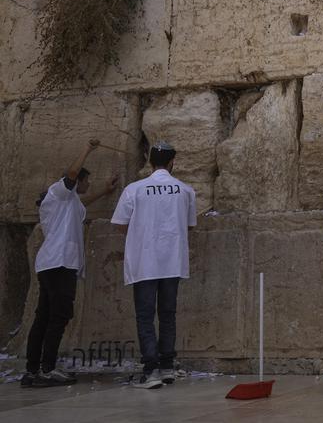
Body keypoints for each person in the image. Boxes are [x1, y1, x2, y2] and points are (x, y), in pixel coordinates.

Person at [21, 139, 118, 388]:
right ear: (77, 182)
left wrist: (104, 192)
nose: (88, 184)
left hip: (53, 264)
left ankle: (32, 371)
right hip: (59, 264)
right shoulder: (59, 191)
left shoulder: (68, 202)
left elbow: (81, 205)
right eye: (87, 181)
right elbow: (72, 174)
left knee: (44, 318)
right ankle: (47, 369)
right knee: (58, 316)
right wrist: (88, 148)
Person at [111, 141, 197, 390]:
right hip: (172, 260)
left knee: (145, 316)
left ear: (150, 162)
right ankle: (167, 365)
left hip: (144, 261)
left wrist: (141, 231)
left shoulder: (134, 189)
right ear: (172, 162)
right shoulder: (185, 190)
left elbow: (119, 223)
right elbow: (190, 225)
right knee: (168, 314)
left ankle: (151, 370)